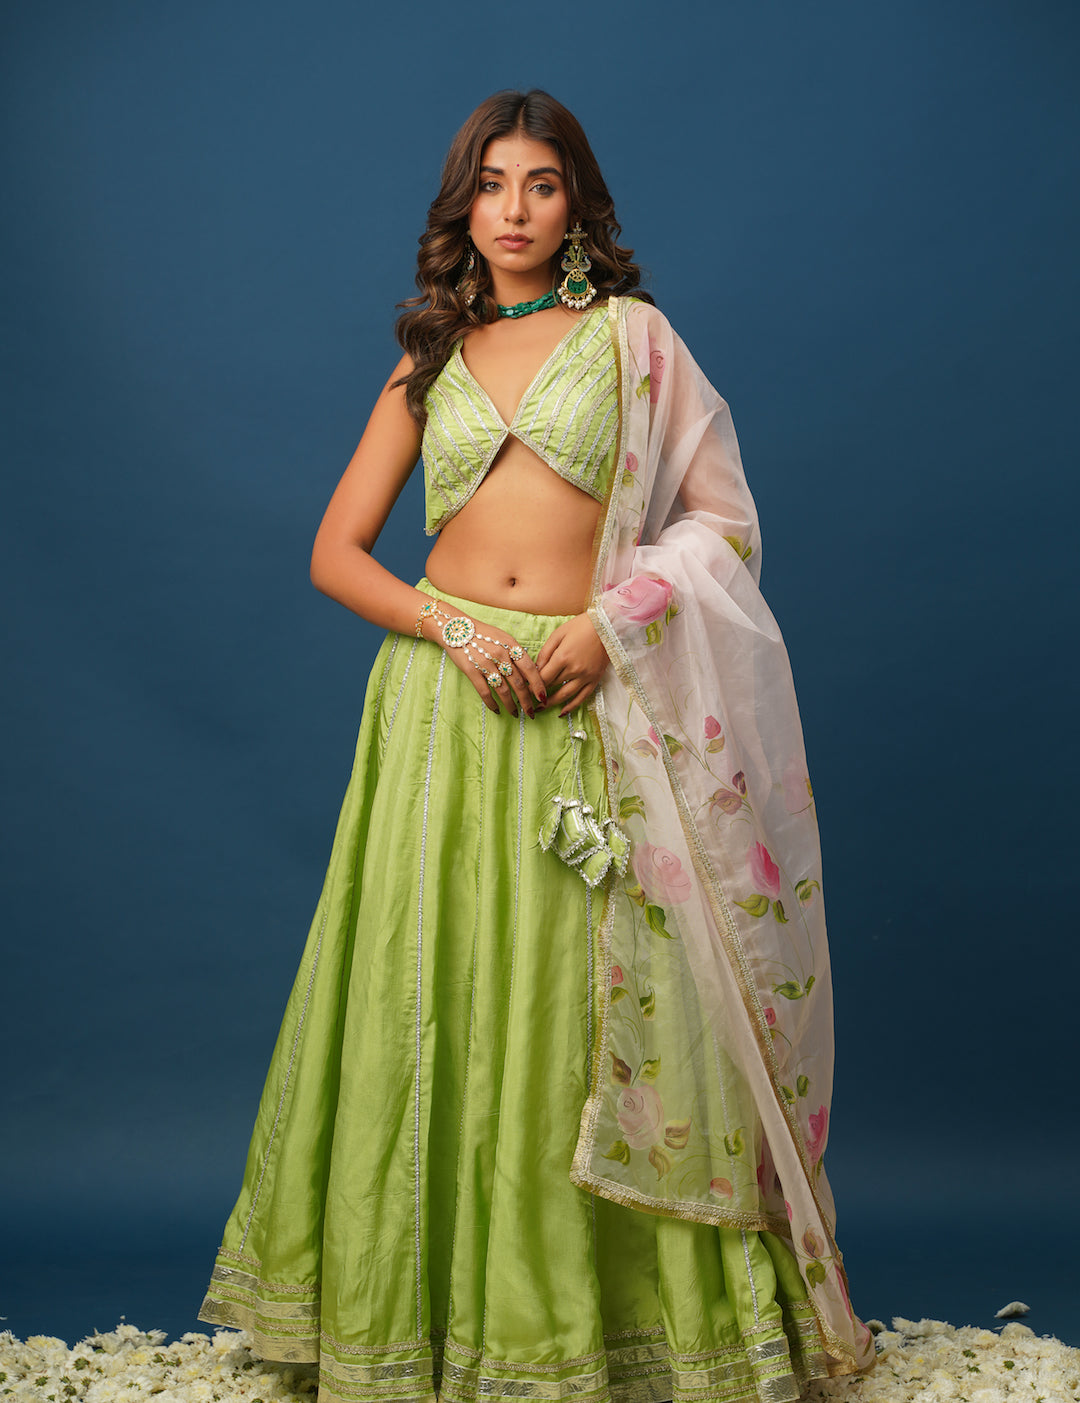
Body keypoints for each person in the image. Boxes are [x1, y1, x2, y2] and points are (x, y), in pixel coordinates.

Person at [198, 90, 875, 1403]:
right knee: (428, 999)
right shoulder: (429, 357)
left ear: (581, 206)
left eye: (541, 184)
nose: (513, 210)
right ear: (463, 205)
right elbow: (338, 554)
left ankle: (600, 1331)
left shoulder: (637, 343)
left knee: (586, 1012)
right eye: (491, 185)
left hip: (585, 706)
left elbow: (724, 527)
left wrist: (612, 626)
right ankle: (432, 1325)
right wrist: (455, 632)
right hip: (440, 718)